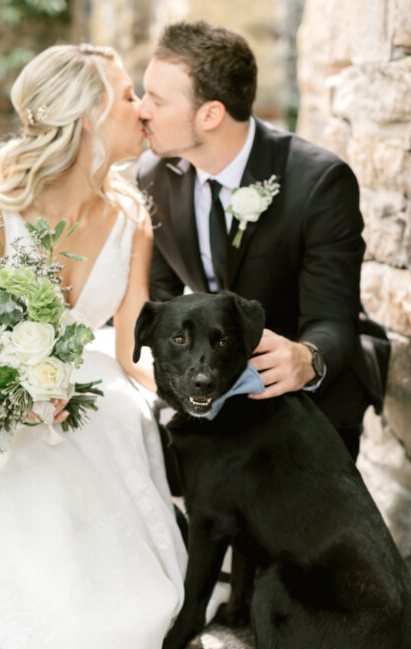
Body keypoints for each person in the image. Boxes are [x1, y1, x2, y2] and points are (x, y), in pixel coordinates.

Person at [0, 44, 188, 649]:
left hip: (91, 385)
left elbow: (135, 341)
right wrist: (7, 385)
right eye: (129, 92)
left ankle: (106, 619)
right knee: (19, 454)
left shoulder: (131, 213)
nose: (142, 108)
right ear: (87, 115)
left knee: (112, 415)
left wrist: (188, 394)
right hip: (3, 391)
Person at [137, 20, 387, 461]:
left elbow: (333, 318)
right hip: (207, 384)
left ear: (210, 114)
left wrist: (308, 358)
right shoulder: (155, 174)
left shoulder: (319, 182)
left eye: (156, 99)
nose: (142, 110)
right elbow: (162, 300)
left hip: (307, 398)